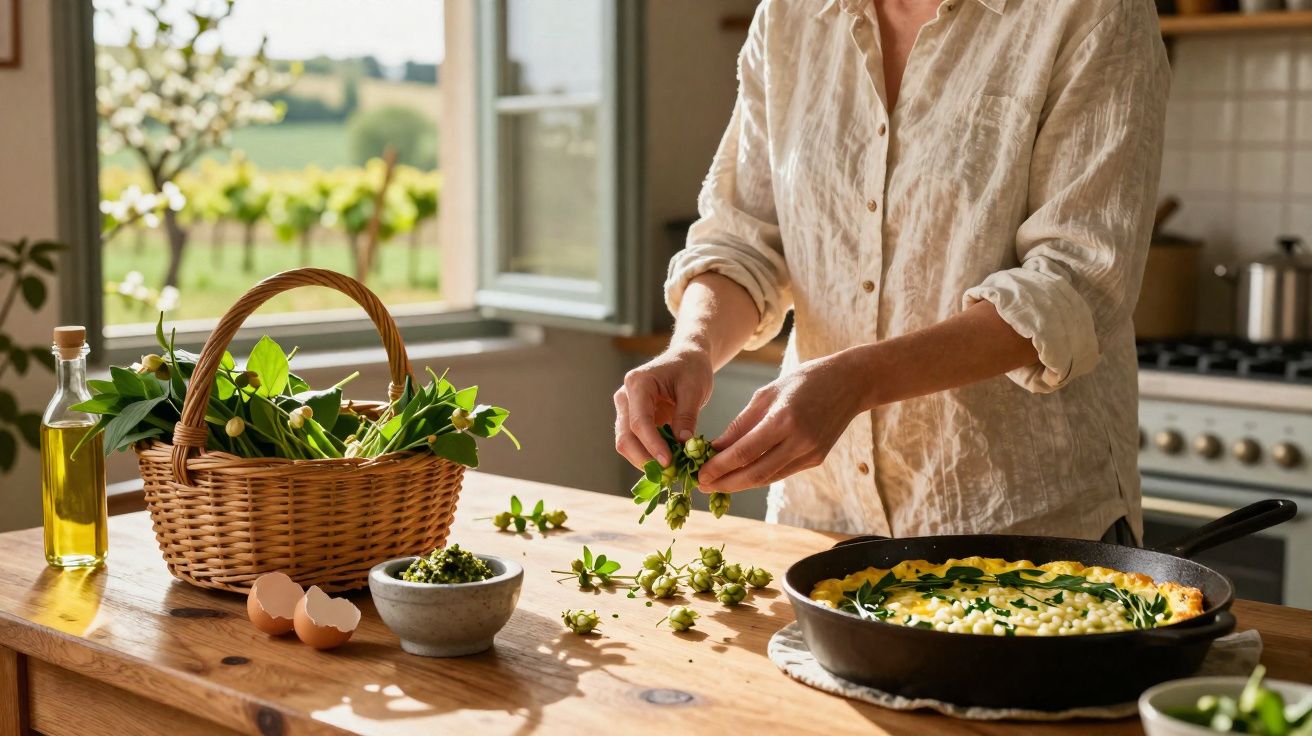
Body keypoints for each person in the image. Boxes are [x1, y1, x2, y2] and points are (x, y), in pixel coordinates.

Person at [613, 0, 1169, 542]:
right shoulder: (789, 15)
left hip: (1022, 527)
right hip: (822, 523)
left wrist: (857, 381)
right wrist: (692, 347)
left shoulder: (1095, 11)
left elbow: (1073, 281)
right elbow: (745, 239)